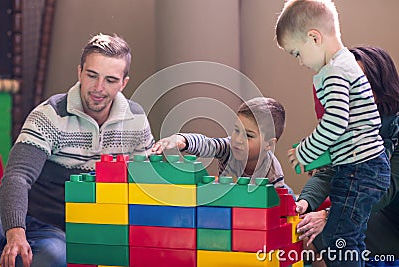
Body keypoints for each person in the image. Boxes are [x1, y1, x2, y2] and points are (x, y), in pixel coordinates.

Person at [0, 33, 155, 267]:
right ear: (79, 72)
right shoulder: (49, 115)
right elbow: (17, 176)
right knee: (43, 254)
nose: (98, 88)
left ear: (124, 83)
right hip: (33, 218)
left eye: (111, 80)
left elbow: (145, 183)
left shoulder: (137, 120)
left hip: (82, 228)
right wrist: (15, 232)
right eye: (92, 75)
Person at [276, 1, 391, 266]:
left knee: (340, 239)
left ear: (314, 37)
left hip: (359, 170)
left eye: (297, 53)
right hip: (368, 166)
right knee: (349, 238)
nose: (300, 62)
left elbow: (336, 121)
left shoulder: (334, 72)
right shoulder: (348, 63)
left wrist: (305, 151)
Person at [295, 46, 399, 265]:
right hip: (364, 211)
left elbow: (387, 190)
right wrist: (304, 203)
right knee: (304, 234)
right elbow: (328, 172)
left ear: (380, 86)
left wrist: (329, 216)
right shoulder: (348, 125)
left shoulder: (395, 127)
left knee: (327, 238)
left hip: (392, 222)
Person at [152, 97, 294, 193]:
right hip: (231, 197)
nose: (238, 139)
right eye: (236, 130)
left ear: (268, 144)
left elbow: (276, 210)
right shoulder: (228, 148)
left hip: (259, 203)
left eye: (248, 136)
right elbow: (207, 143)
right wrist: (182, 140)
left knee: (288, 197)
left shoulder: (273, 172)